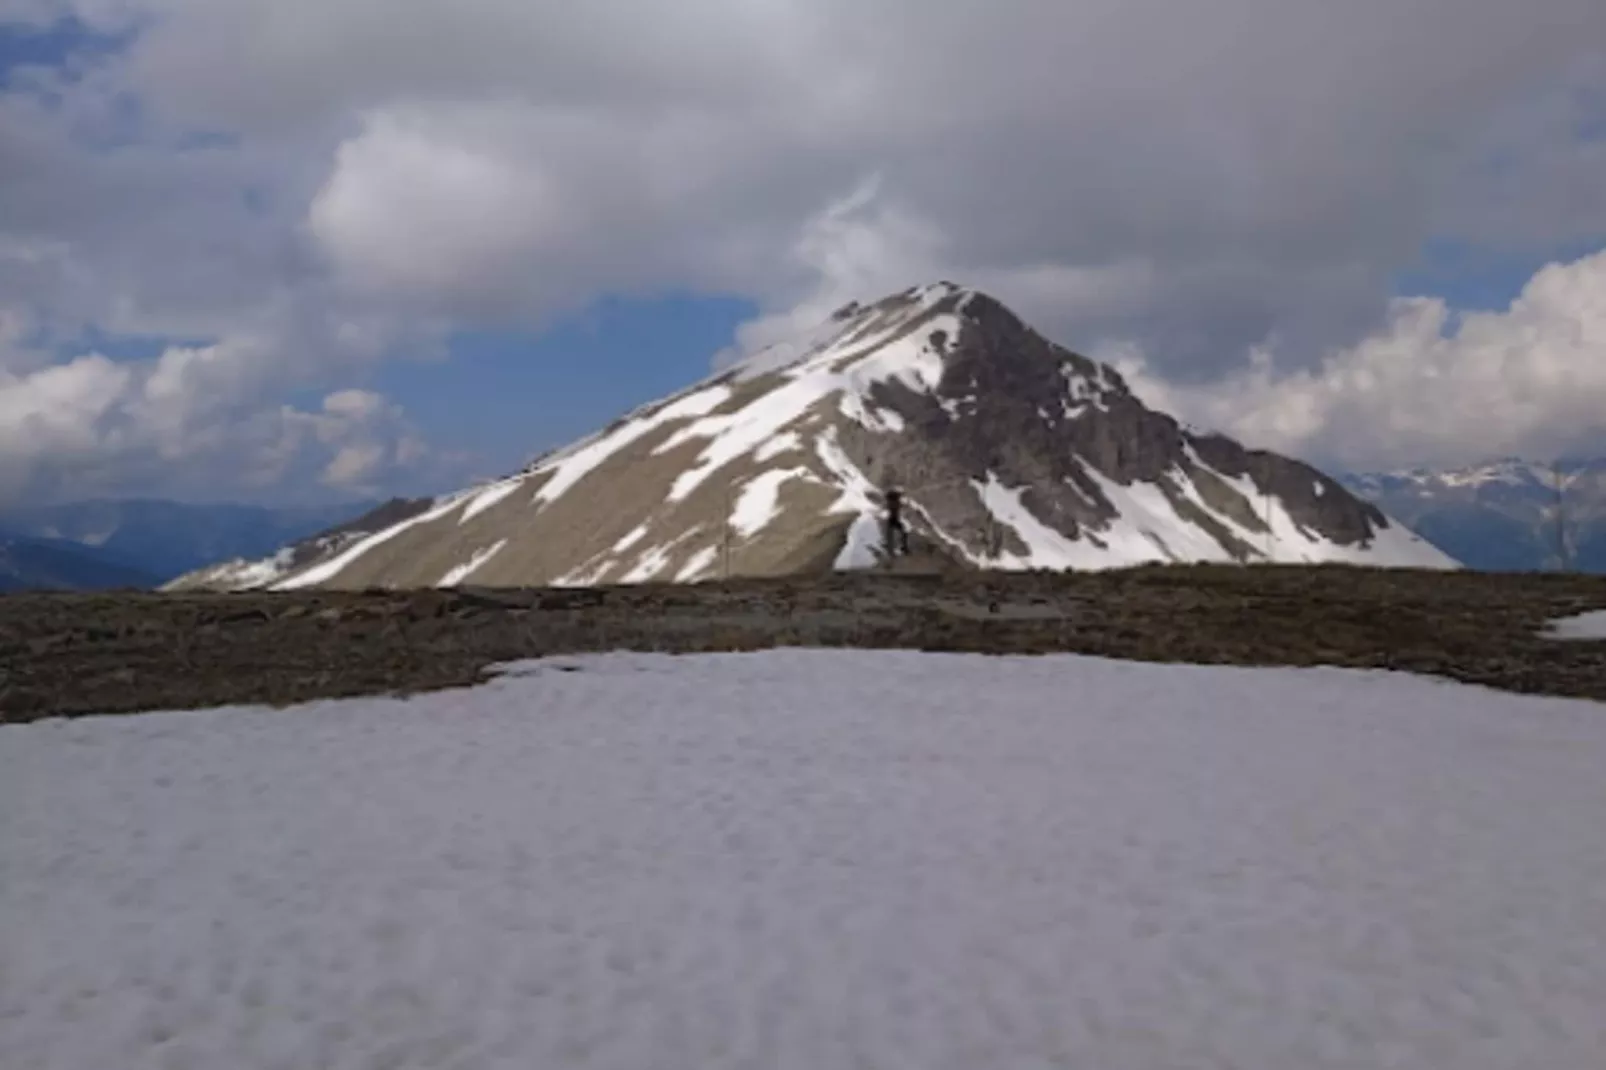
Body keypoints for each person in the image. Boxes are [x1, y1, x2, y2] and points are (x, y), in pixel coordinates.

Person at [883, 487, 911, 557]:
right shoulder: (897, 502)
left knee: (890, 533)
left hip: (892, 519)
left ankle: (891, 547)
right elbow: (903, 504)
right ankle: (903, 547)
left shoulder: (891, 502)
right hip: (895, 519)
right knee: (904, 531)